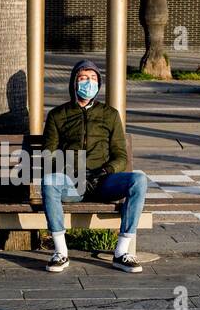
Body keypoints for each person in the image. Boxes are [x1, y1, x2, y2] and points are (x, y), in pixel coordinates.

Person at [40, 59, 149, 273]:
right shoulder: (57, 115)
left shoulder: (109, 114)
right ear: (73, 83)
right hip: (72, 183)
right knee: (49, 182)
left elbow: (120, 155)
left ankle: (121, 252)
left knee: (139, 179)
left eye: (92, 79)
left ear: (99, 84)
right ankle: (61, 252)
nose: (88, 83)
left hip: (103, 182)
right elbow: (48, 154)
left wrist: (106, 170)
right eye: (83, 78)